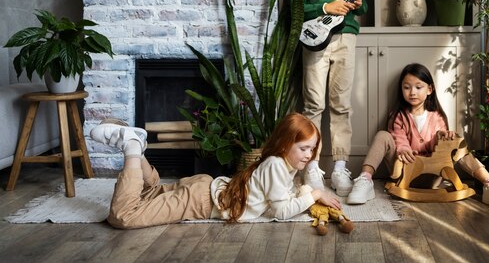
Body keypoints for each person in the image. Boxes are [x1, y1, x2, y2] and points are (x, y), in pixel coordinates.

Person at [90, 113, 341, 229]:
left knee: (151, 193)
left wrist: (308, 190)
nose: (309, 155)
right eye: (304, 148)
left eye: (313, 149)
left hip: (206, 188)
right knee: (124, 216)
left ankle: (139, 147)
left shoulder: (282, 164)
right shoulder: (276, 165)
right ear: (286, 144)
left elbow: (286, 195)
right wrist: (314, 196)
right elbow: (281, 211)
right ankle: (132, 147)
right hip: (199, 201)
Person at [346, 63, 489, 211]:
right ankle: (365, 179)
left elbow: (437, 142)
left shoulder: (437, 117)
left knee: (457, 144)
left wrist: (444, 136)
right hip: (405, 171)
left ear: (429, 90)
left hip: (432, 175)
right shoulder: (398, 116)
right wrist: (403, 148)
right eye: (407, 87)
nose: (412, 92)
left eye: (418, 87)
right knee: (383, 135)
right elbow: (399, 137)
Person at [291, 0, 367, 197]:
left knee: (341, 106)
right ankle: (311, 167)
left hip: (346, 39)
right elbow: (296, 10)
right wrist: (326, 5)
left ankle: (339, 167)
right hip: (313, 41)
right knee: (313, 105)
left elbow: (360, 10)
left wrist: (358, 4)